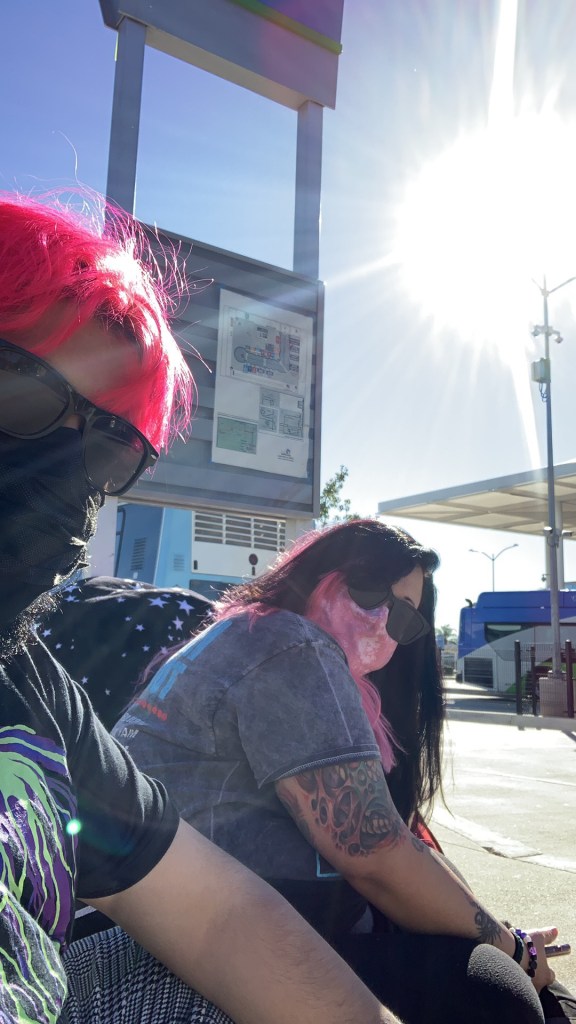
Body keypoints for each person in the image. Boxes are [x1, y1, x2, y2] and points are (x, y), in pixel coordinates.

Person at [0, 191, 400, 1024]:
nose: (386, 628)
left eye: (111, 442)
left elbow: (218, 914)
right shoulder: (281, 649)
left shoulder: (28, 682)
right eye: (22, 388)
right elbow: (375, 854)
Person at [113, 519, 565, 1024]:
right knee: (497, 993)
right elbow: (374, 854)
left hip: (197, 917)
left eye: (405, 617)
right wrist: (514, 948)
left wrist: (505, 939)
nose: (382, 620)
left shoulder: (248, 633)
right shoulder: (291, 645)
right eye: (369, 589)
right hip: (197, 938)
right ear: (318, 573)